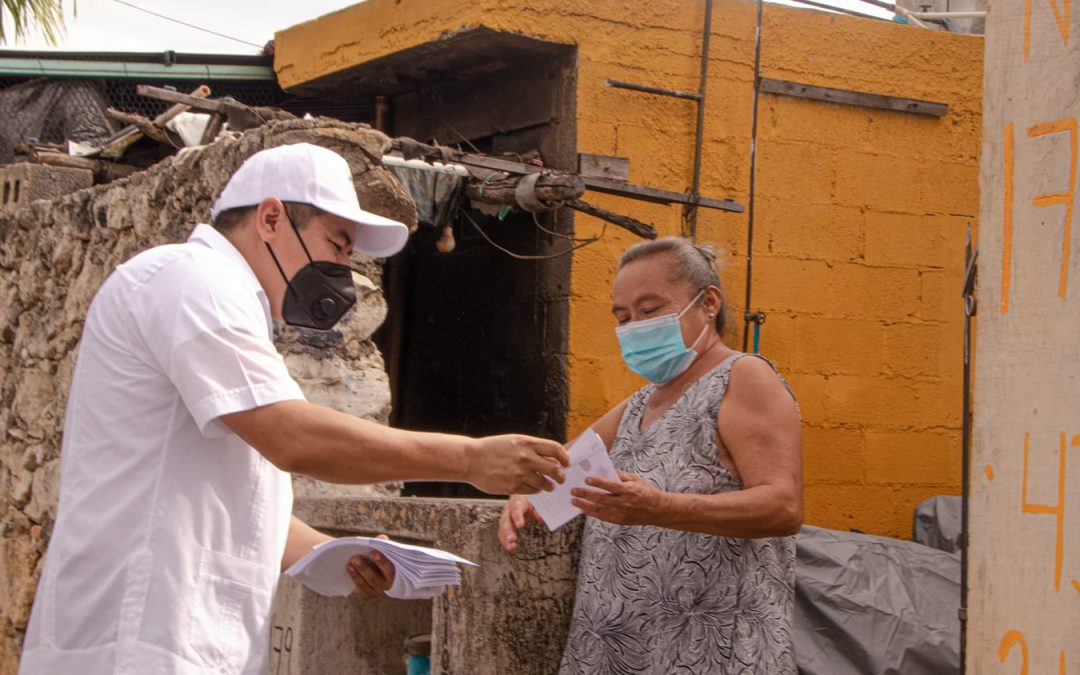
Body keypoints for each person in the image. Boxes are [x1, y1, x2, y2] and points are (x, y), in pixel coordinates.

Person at [19, 143, 569, 675]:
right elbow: (293, 439)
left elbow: (236, 500)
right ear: (272, 219)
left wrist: (334, 553)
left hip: (177, 638)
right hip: (134, 639)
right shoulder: (190, 280)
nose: (342, 268)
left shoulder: (233, 306)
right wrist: (470, 460)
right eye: (337, 244)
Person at [499, 237, 803, 674]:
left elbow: (782, 506)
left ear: (708, 303)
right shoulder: (640, 403)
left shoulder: (743, 378)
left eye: (650, 310)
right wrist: (526, 493)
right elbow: (559, 466)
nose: (634, 326)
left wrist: (658, 506)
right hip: (617, 652)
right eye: (622, 317)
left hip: (710, 654)